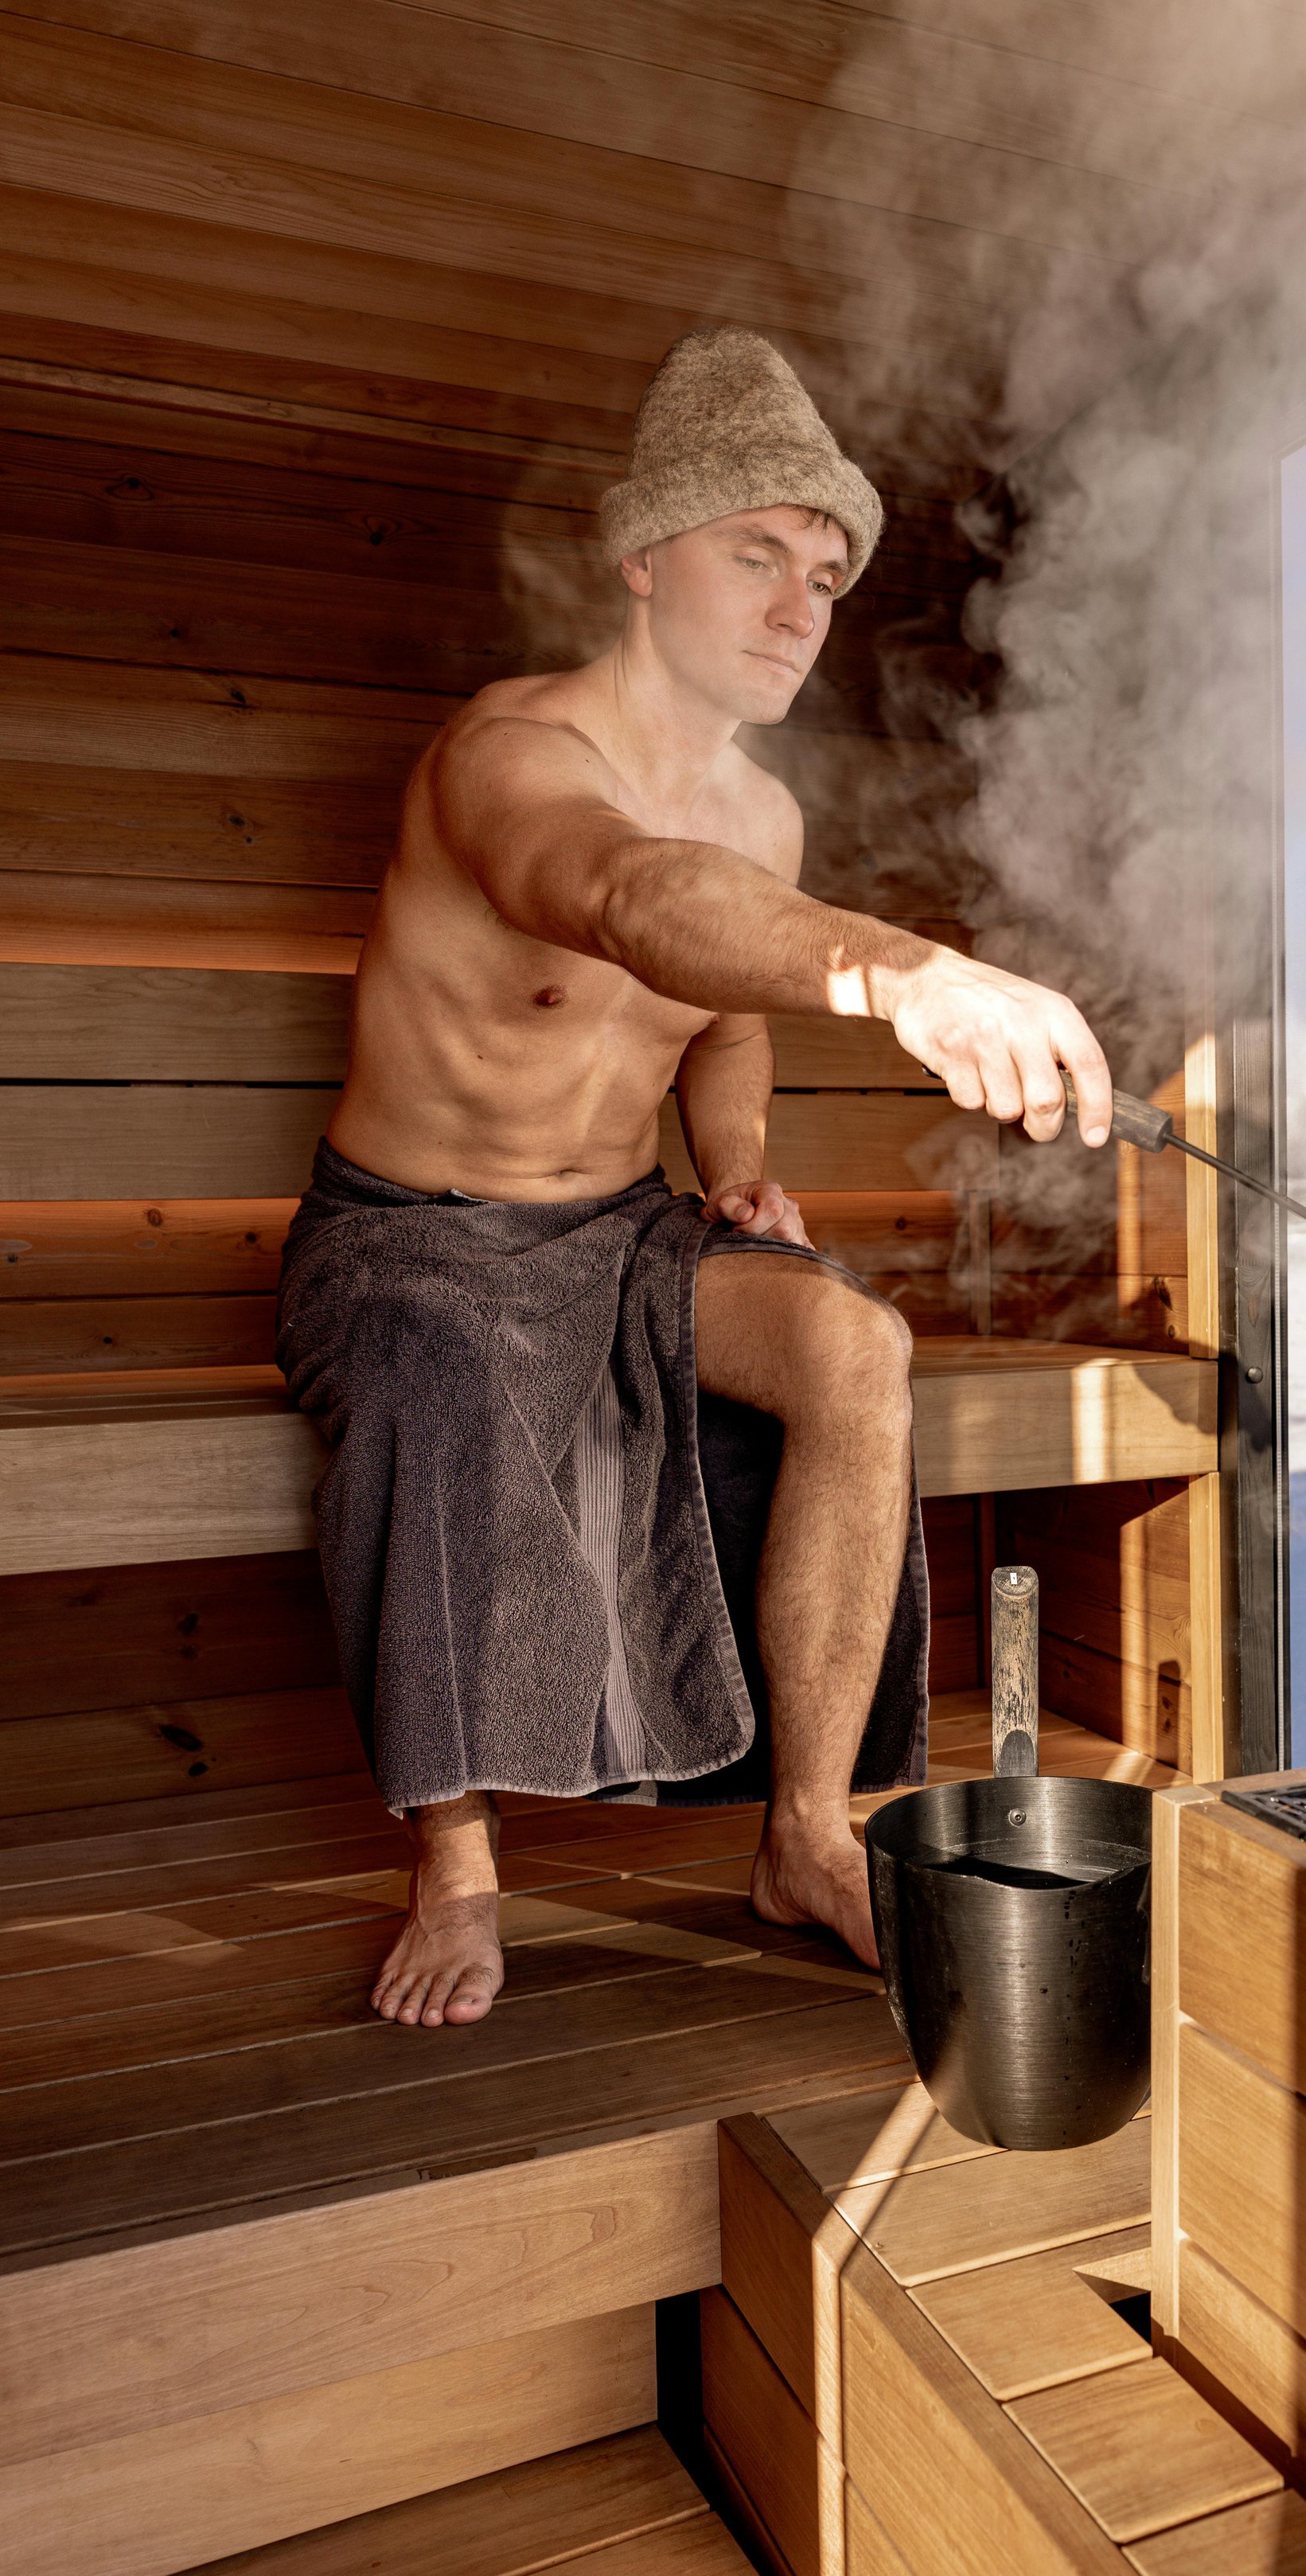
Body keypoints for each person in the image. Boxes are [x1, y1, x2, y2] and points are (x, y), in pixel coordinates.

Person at [277, 328, 1113, 2031]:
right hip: (409, 1242)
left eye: (827, 576)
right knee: (440, 1365)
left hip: (616, 1231)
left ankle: (807, 1832)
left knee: (855, 1346)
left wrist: (735, 1175)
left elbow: (720, 1017)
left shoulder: (767, 821)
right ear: (642, 555)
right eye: (758, 554)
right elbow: (626, 900)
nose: (801, 608)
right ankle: (458, 1865)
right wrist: (909, 974)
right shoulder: (509, 756)